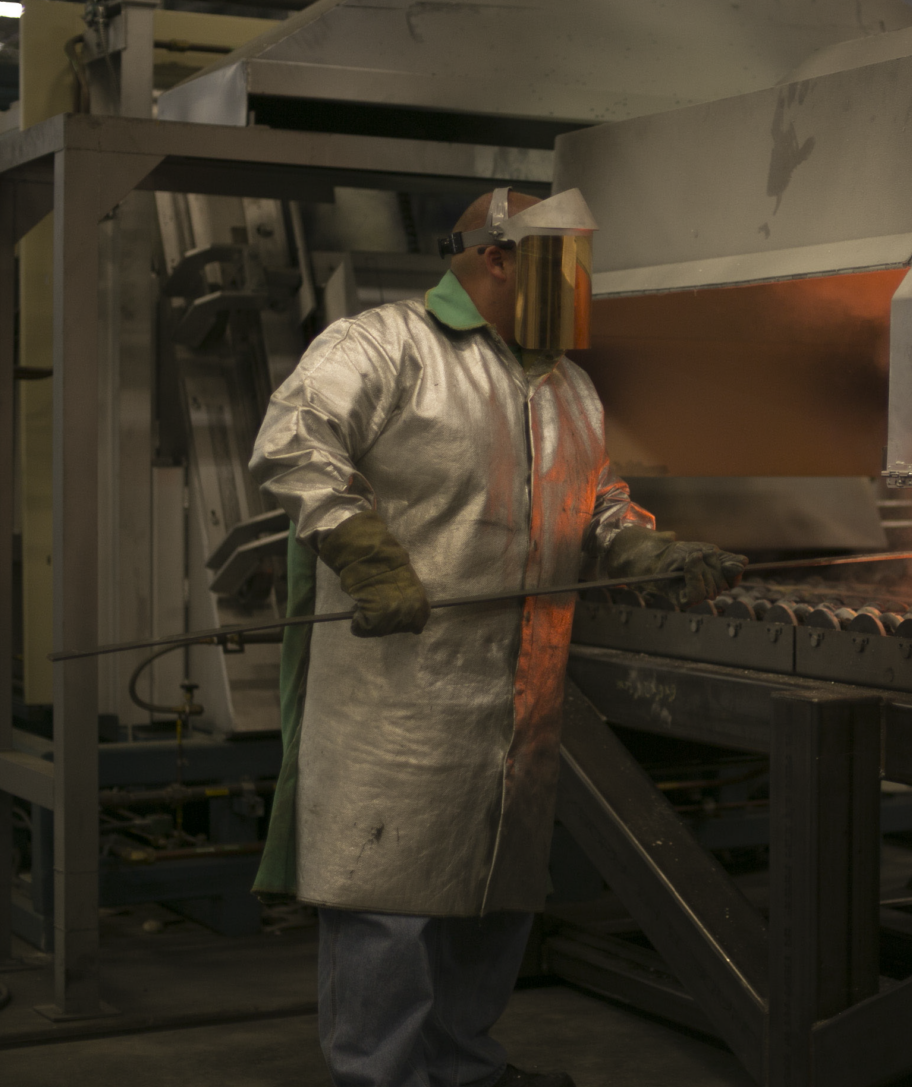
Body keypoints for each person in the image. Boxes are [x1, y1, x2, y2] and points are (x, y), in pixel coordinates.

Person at [248, 187, 746, 1087]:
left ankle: (465, 1067)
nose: (584, 282)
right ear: (498, 256)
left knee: (492, 895)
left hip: (518, 696)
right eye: (569, 261)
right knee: (389, 900)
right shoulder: (384, 344)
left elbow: (596, 498)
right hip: (397, 694)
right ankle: (385, 1075)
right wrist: (368, 557)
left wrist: (641, 543)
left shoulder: (568, 384)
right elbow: (294, 439)